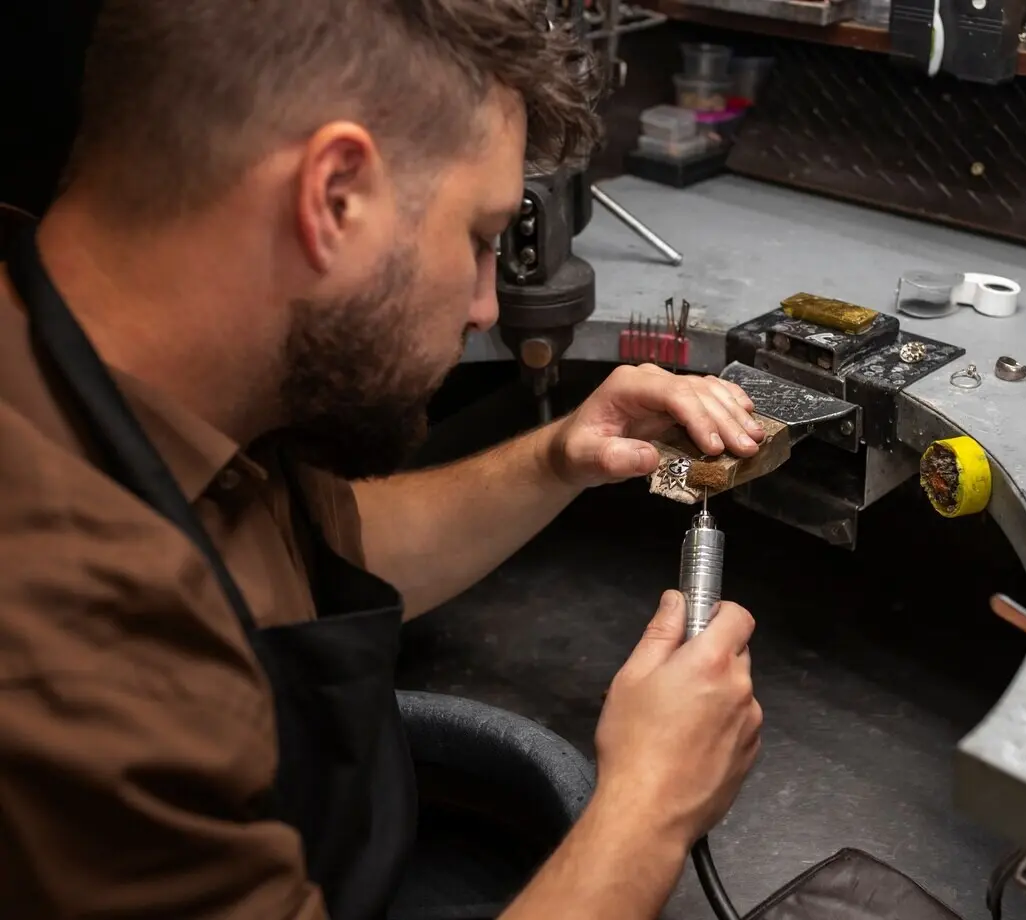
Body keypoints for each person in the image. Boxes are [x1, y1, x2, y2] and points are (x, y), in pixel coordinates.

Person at [0, 2, 766, 919]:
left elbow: (330, 554)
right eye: (480, 240)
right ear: (334, 197)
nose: (487, 305)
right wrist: (651, 806)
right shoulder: (65, 634)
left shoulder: (158, 372)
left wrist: (561, 456)